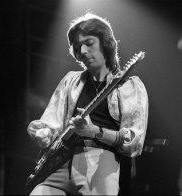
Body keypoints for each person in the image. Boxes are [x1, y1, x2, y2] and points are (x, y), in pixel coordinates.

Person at [27, 12, 149, 195]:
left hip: (100, 160)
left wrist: (95, 132)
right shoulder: (70, 81)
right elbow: (52, 123)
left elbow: (134, 141)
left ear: (106, 43)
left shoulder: (129, 86)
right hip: (60, 162)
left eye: (89, 43)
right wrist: (44, 133)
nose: (82, 51)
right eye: (77, 47)